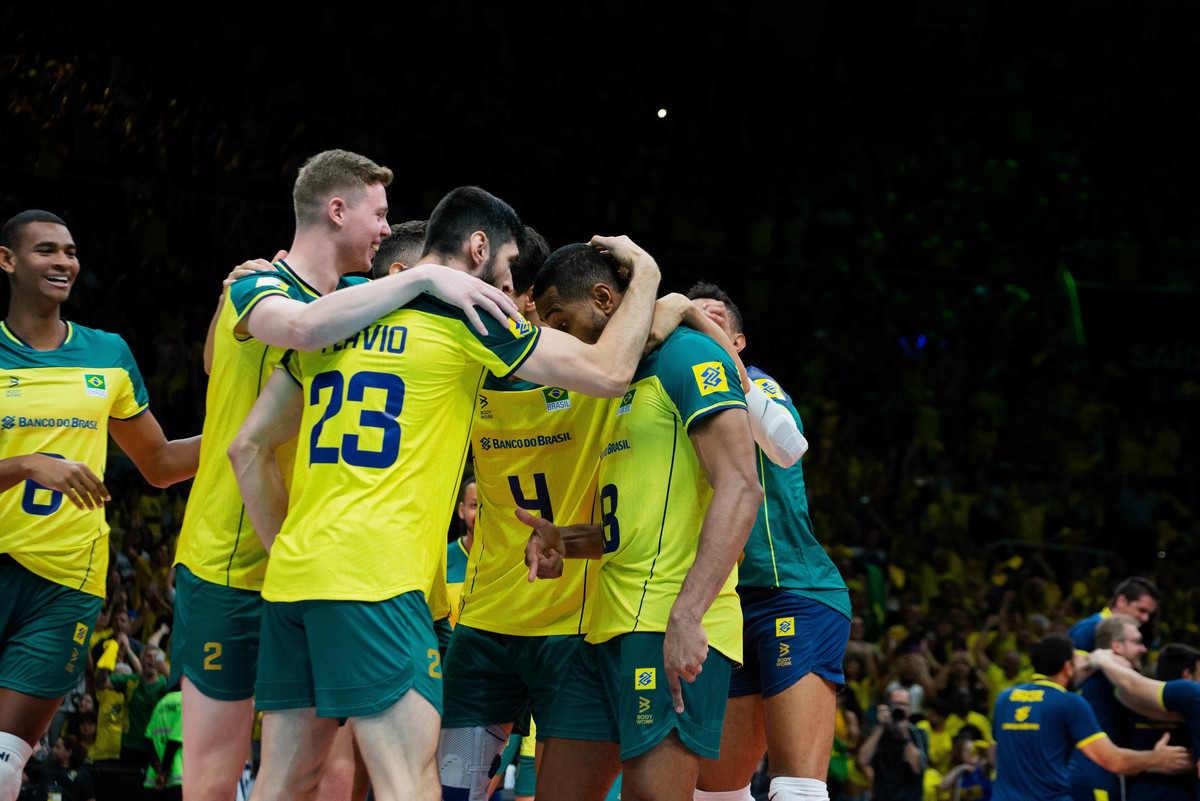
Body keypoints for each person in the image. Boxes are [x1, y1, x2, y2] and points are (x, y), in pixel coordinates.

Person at [229, 187, 661, 801]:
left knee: (282, 781)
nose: (510, 291)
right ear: (479, 249)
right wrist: (651, 278)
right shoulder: (468, 320)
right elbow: (612, 371)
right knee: (409, 781)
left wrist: (291, 552)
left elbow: (247, 449)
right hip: (380, 579)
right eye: (507, 270)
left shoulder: (336, 313)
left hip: (297, 576)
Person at [171, 152, 520, 801]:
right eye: (379, 214)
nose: (387, 227)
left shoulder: (360, 307)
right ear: (337, 211)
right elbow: (242, 370)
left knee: (328, 776)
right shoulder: (264, 290)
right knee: (217, 779)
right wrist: (429, 278)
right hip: (235, 558)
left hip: (316, 566)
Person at [522, 244, 763, 801]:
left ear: (605, 299)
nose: (558, 336)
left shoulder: (685, 356)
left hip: (666, 624)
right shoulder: (612, 381)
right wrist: (566, 541)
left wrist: (688, 614)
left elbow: (741, 486)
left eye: (562, 320)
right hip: (604, 628)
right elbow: (636, 524)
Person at [0, 209, 199, 801]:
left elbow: (159, 464)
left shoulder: (108, 353)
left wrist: (246, 432)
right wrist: (27, 466)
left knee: (5, 766)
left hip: (66, 582)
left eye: (70, 251)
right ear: (8, 260)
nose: (64, 261)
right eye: (46, 250)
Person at [685, 282, 851, 801]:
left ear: (737, 342)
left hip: (793, 593)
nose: (698, 327)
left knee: (796, 790)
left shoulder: (757, 384)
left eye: (713, 321)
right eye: (689, 321)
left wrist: (693, 322)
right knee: (715, 794)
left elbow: (787, 445)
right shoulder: (673, 401)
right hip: (724, 608)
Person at [991, 634, 1190, 801]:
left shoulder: (1004, 698)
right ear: (1067, 667)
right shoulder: (1069, 702)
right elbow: (1114, 761)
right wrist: (1156, 757)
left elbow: (996, 748)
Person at [1088, 644, 1200, 797]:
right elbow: (1114, 761)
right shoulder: (1191, 699)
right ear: (1186, 676)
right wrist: (1153, 760)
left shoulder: (1192, 702)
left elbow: (1130, 686)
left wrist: (1104, 660)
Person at [1068, 614, 1145, 801]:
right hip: (1096, 779)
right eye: (1137, 642)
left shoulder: (1086, 679)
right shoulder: (1114, 683)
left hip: (1084, 776)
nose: (1144, 649)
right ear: (1116, 646)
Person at [857, 687, 929, 801]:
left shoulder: (918, 733)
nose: (900, 708)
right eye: (895, 704)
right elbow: (862, 760)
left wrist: (904, 734)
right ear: (887, 706)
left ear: (910, 709)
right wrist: (881, 726)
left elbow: (917, 768)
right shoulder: (879, 732)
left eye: (904, 704)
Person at [1069, 577, 1159, 652]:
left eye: (1150, 614)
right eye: (1141, 610)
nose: (1146, 618)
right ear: (1122, 601)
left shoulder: (1133, 633)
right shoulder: (1089, 628)